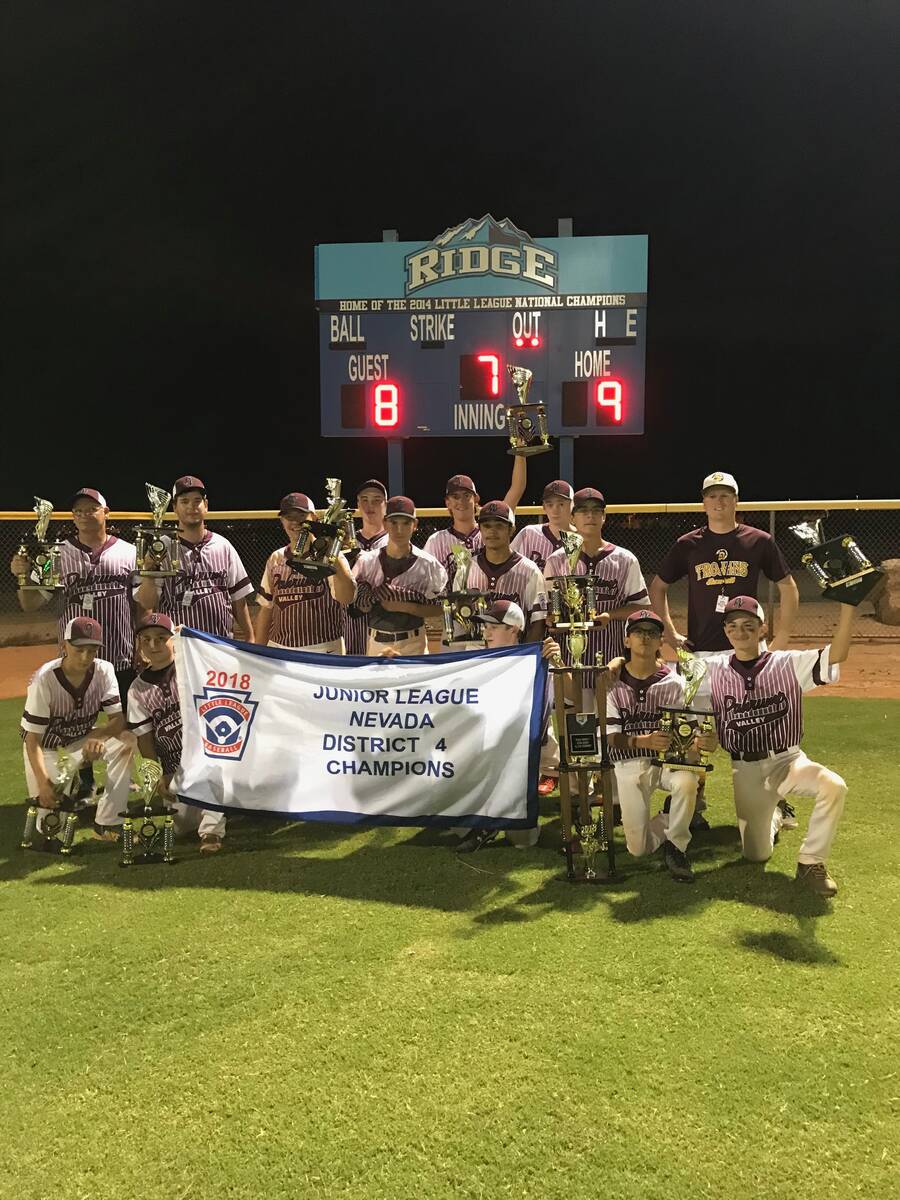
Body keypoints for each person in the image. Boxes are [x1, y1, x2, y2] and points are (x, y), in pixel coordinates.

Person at [697, 595, 854, 896]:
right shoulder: (712, 669)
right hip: (744, 769)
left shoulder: (788, 664)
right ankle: (777, 813)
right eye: (733, 626)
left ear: (762, 629)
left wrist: (848, 605)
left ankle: (811, 863)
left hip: (787, 761)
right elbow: (664, 679)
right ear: (726, 631)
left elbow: (837, 654)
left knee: (834, 785)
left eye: (748, 625)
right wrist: (620, 663)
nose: (740, 632)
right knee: (756, 855)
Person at [605, 610, 714, 882]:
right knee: (638, 850)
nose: (645, 637)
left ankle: (677, 846)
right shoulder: (611, 682)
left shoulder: (675, 683)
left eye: (652, 633)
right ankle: (669, 816)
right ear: (627, 641)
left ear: (660, 642)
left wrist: (702, 743)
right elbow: (609, 735)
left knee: (686, 781)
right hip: (629, 762)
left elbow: (690, 729)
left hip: (667, 762)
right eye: (638, 632)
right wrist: (642, 741)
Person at [10, 487, 140, 701]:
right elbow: (30, 604)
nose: (84, 515)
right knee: (73, 730)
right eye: (78, 511)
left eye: (91, 509)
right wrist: (21, 577)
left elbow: (141, 604)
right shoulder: (54, 555)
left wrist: (141, 644)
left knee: (126, 727)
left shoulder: (129, 552)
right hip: (73, 662)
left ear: (106, 512)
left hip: (121, 657)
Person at [649, 471, 799, 656]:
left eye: (725, 496)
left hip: (748, 646)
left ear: (736, 500)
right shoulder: (688, 544)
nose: (718, 502)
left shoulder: (758, 541)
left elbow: (788, 587)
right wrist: (670, 633)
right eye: (712, 496)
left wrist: (782, 636)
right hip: (701, 647)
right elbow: (658, 587)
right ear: (704, 503)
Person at [455, 600, 561, 853]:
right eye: (485, 627)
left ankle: (493, 820)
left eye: (494, 626)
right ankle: (483, 823)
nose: (486, 632)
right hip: (482, 754)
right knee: (456, 820)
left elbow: (568, 703)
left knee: (524, 841)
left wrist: (558, 662)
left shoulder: (537, 661)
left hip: (520, 756)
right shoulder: (475, 659)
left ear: (514, 629)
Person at [21, 617, 131, 841]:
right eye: (79, 649)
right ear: (64, 646)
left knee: (126, 742)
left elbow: (117, 720)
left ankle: (108, 821)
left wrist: (96, 739)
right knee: (51, 829)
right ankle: (67, 789)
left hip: (81, 739)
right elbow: (32, 739)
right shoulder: (44, 679)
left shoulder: (104, 670)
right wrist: (43, 782)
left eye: (92, 650)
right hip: (47, 748)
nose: (85, 657)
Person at [127, 612, 225, 853]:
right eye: (146, 639)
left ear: (174, 640)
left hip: (205, 756)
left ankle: (211, 833)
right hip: (174, 768)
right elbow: (144, 738)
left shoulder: (193, 668)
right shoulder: (137, 689)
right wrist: (157, 776)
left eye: (161, 638)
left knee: (214, 772)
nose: (153, 645)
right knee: (180, 827)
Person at [544, 487, 650, 710]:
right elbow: (549, 610)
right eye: (582, 511)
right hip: (569, 667)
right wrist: (554, 622)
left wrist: (610, 615)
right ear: (572, 517)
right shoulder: (557, 561)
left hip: (612, 664)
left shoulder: (624, 559)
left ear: (604, 516)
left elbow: (641, 608)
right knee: (576, 736)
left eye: (595, 511)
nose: (589, 516)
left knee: (609, 734)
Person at [135, 475, 255, 642]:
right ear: (174, 507)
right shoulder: (162, 548)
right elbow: (147, 603)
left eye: (197, 501)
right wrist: (148, 572)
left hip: (220, 646)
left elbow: (238, 598)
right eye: (184, 501)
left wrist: (249, 636)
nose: (191, 506)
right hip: (178, 647)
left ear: (205, 506)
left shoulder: (223, 546)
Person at [255, 492, 356, 651]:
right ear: (282, 520)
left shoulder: (332, 556)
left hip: (323, 649)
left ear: (314, 518)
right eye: (289, 516)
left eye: (301, 515)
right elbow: (266, 608)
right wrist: (257, 652)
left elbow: (347, 598)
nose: (295, 521)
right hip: (281, 648)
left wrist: (332, 554)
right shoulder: (276, 558)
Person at [352, 496, 447, 655]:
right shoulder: (367, 562)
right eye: (394, 522)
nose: (399, 529)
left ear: (415, 525)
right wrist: (370, 598)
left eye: (406, 523)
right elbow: (355, 604)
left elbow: (439, 608)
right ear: (385, 523)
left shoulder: (429, 564)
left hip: (413, 642)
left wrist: (406, 605)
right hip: (376, 641)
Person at [423, 459, 526, 578]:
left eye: (466, 495)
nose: (461, 501)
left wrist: (520, 454)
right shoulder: (436, 541)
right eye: (455, 497)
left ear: (476, 499)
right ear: (448, 503)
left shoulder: (489, 532)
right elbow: (426, 581)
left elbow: (517, 489)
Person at [462, 501, 548, 642]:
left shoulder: (529, 571)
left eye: (499, 526)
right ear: (480, 529)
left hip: (512, 655)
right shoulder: (466, 567)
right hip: (474, 653)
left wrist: (524, 655)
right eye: (487, 526)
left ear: (511, 529)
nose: (492, 531)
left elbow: (538, 622)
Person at [344, 480, 389, 655]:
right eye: (364, 499)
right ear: (357, 504)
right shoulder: (345, 543)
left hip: (384, 625)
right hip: (349, 626)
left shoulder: (394, 542)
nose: (370, 505)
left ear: (386, 504)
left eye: (377, 500)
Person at [511, 480, 576, 569]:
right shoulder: (529, 533)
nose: (555, 510)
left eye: (561, 504)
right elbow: (509, 565)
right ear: (544, 507)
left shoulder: (581, 539)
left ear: (573, 505)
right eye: (550, 505)